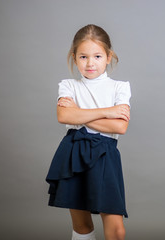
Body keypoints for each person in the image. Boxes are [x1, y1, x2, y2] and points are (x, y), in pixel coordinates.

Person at [46, 24, 131, 240]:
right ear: (74, 58)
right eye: (83, 57)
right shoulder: (68, 85)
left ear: (109, 57)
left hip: (105, 154)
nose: (90, 63)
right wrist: (108, 112)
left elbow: (119, 127)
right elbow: (64, 116)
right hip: (73, 150)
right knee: (82, 225)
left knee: (116, 228)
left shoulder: (120, 88)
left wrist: (79, 114)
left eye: (97, 56)